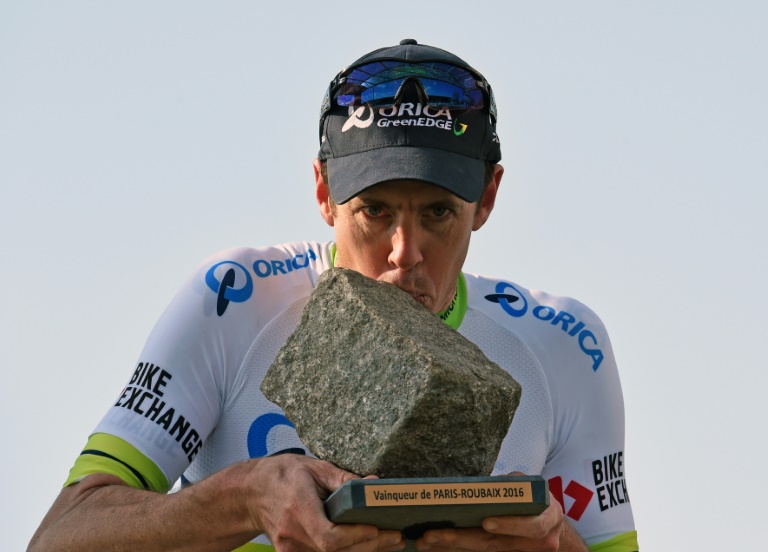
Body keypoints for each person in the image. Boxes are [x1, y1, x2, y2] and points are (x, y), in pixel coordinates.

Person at [29, 39, 638, 552]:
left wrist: (560, 545)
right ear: (323, 192)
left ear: (488, 198)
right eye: (374, 211)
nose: (406, 252)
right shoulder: (233, 301)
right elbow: (59, 537)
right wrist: (245, 497)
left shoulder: (565, 345)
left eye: (437, 214)